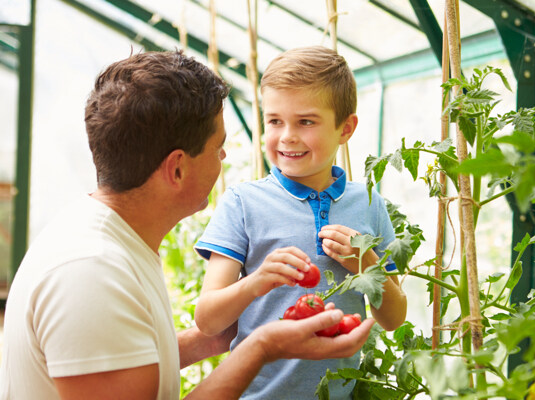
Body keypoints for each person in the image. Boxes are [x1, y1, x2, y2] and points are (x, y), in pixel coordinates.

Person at [0, 50, 375, 400]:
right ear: (177, 168)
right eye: (217, 147)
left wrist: (207, 341)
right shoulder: (90, 272)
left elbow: (124, 358)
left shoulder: (109, 241)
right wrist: (262, 348)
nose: (224, 157)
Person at [193, 46, 407, 399]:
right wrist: (257, 281)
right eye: (275, 121)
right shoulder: (243, 202)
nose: (287, 136)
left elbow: (394, 317)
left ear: (346, 128)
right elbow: (208, 319)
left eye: (305, 121)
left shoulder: (369, 203)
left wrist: (367, 267)